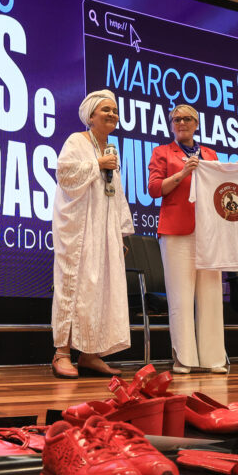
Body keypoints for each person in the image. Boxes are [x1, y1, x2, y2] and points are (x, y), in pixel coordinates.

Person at [147, 104, 238, 374]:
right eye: (176, 119)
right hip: (176, 232)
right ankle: (184, 359)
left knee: (211, 295)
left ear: (197, 124)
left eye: (187, 119)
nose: (181, 123)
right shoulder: (162, 152)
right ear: (171, 124)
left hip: (210, 232)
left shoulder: (211, 154)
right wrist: (182, 173)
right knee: (181, 297)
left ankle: (213, 359)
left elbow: (223, 187)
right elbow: (154, 189)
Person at [50, 89, 134, 378]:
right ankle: (62, 353)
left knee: (100, 290)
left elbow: (116, 192)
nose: (112, 114)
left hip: (105, 231)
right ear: (91, 115)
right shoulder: (77, 140)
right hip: (79, 230)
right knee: (74, 287)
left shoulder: (111, 149)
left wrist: (120, 233)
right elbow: (64, 174)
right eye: (105, 110)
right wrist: (97, 165)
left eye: (115, 110)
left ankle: (90, 354)